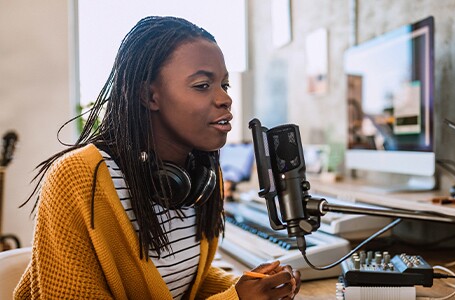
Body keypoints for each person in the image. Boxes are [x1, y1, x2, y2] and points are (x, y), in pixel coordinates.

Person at [15, 16, 301, 300]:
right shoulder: (78, 177)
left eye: (224, 85)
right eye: (202, 85)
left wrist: (253, 286)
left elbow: (182, 282)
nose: (225, 99)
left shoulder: (199, 177)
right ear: (149, 96)